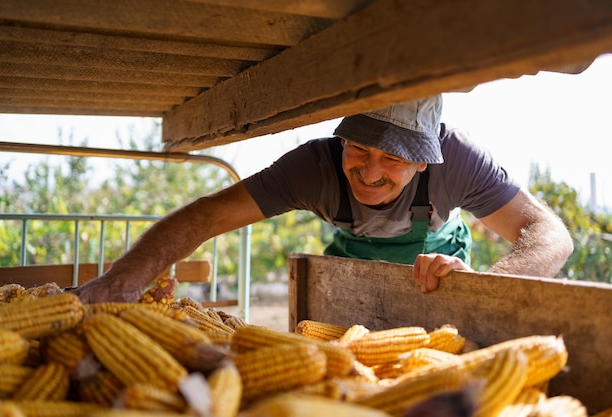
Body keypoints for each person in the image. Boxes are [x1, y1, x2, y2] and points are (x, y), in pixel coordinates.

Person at [70, 94, 573, 303]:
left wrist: (483, 287)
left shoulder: (458, 159)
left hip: (440, 288)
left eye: (393, 158)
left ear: (425, 157)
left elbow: (550, 236)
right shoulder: (313, 166)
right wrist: (121, 281)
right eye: (358, 148)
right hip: (349, 286)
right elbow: (205, 216)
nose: (369, 172)